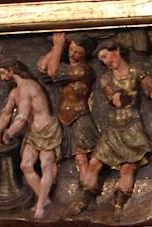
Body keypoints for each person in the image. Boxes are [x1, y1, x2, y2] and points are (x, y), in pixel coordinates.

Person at [72, 41, 152, 216]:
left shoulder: (136, 72)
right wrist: (119, 97)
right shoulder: (106, 79)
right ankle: (83, 200)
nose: (106, 61)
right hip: (114, 129)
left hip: (133, 128)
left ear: (116, 50)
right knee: (94, 164)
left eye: (106, 55)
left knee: (127, 168)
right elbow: (115, 97)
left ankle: (118, 206)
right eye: (101, 59)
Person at [0, 61, 62, 219]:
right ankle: (45, 200)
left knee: (46, 165)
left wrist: (8, 134)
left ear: (11, 70)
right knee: (25, 165)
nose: (2, 77)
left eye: (3, 72)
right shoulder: (15, 92)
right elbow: (6, 114)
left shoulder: (28, 86)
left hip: (48, 130)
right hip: (33, 133)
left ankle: (40, 207)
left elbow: (22, 117)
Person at [37, 32, 100, 196]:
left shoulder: (83, 70)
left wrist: (59, 46)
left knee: (82, 158)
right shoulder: (66, 64)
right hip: (62, 118)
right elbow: (43, 67)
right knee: (52, 158)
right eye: (71, 50)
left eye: (78, 52)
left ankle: (86, 194)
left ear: (85, 55)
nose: (73, 54)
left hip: (79, 116)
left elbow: (53, 72)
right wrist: (58, 46)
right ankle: (45, 197)